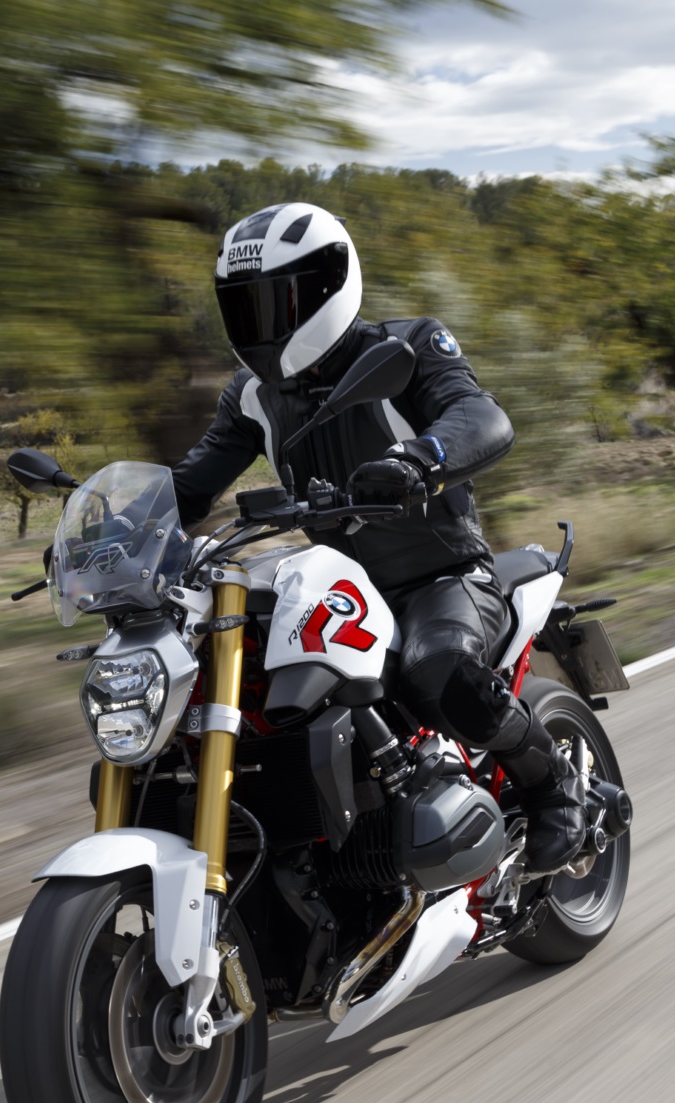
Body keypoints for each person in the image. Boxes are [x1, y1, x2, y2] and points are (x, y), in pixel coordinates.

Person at [171, 202, 585, 872]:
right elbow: (190, 487)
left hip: (441, 576)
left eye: (278, 302)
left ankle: (554, 785)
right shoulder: (251, 395)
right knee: (244, 687)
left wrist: (418, 460)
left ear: (330, 284)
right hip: (337, 589)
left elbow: (480, 415)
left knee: (441, 672)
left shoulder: (409, 346)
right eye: (245, 307)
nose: (261, 324)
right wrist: (115, 527)